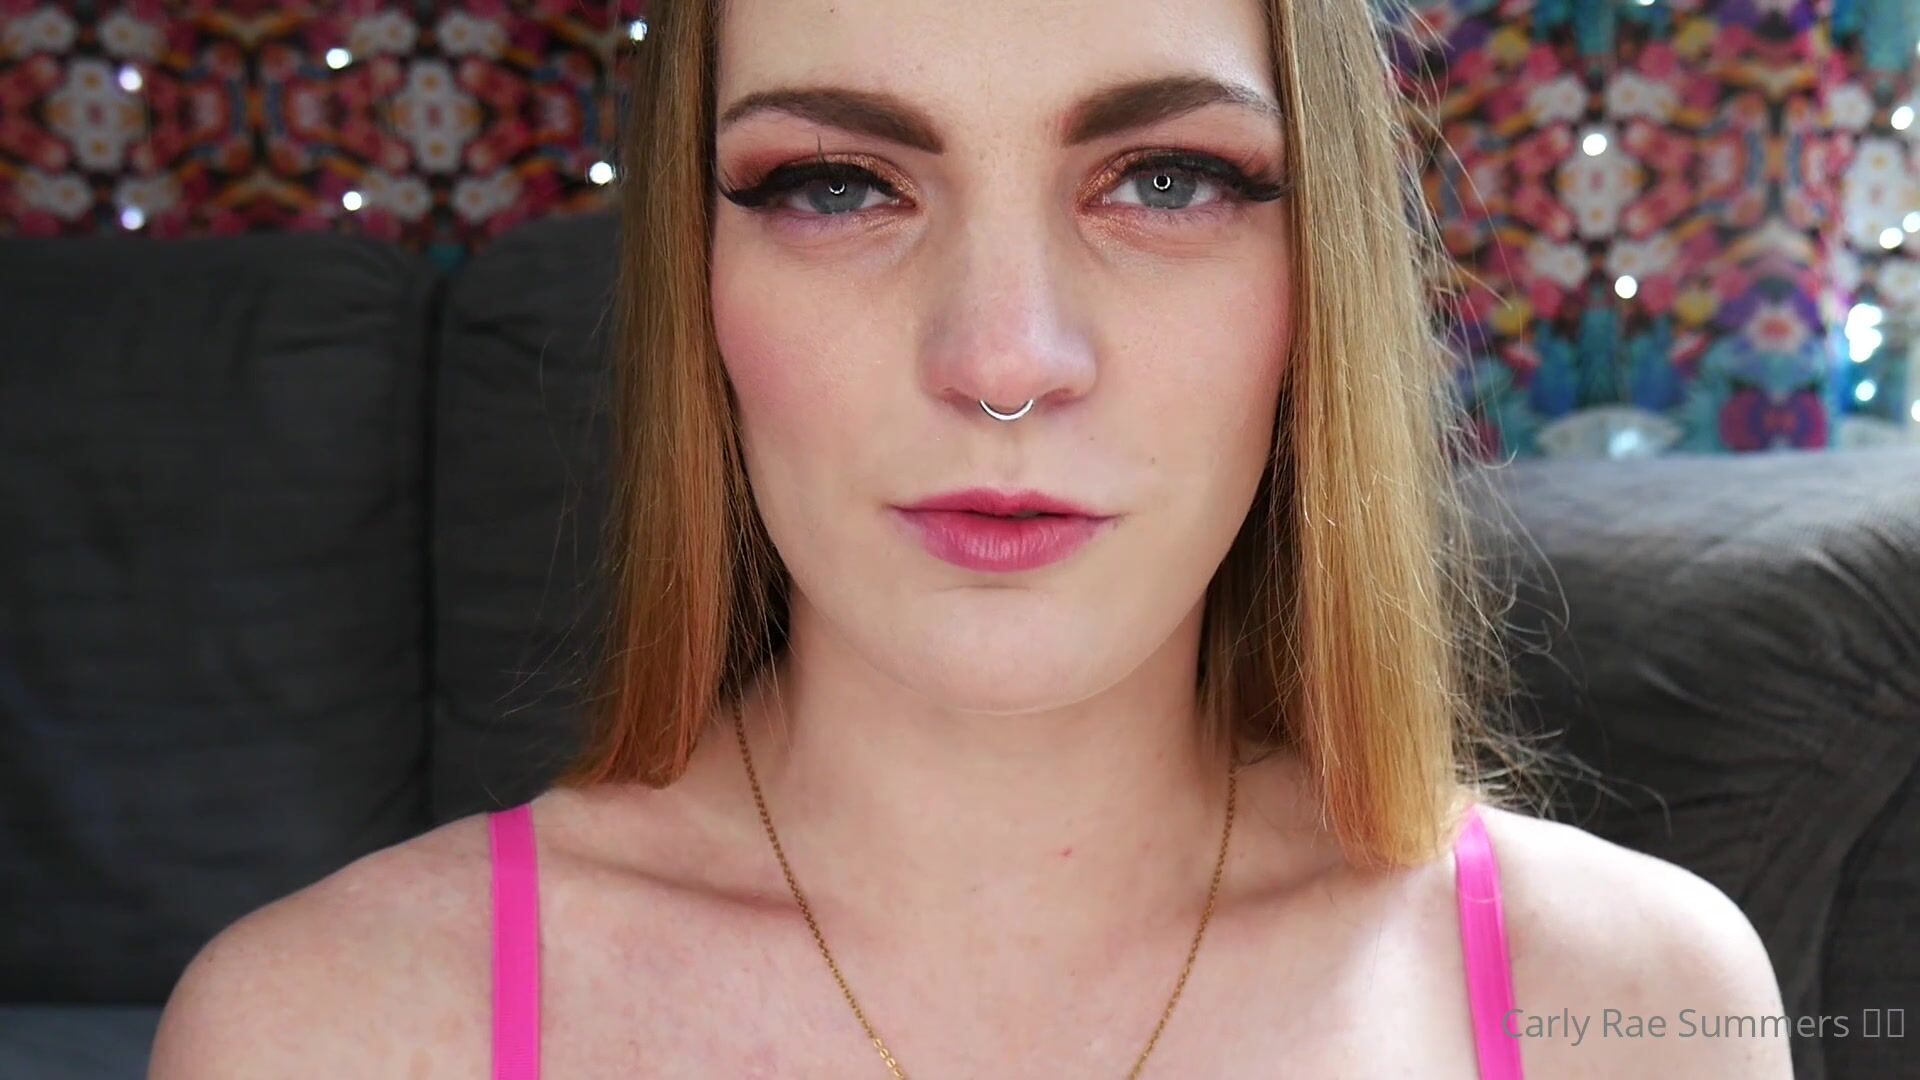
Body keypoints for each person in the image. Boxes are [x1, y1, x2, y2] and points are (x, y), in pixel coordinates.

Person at [149, 0, 1794, 1076]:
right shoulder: (323, 1034)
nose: (1004, 361)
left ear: (1323, 289)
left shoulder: (1643, 1008)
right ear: (698, 282)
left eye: (1168, 179)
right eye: (836, 185)